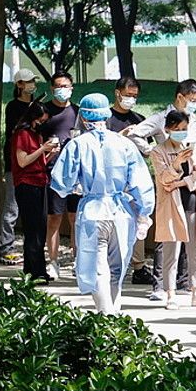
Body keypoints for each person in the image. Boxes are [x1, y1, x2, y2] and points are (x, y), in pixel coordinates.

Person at [49, 93, 155, 314]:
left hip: (92, 212)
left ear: (84, 118)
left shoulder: (77, 145)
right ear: (106, 115)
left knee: (97, 267)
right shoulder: (124, 144)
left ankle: (105, 316)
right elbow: (140, 183)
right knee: (117, 268)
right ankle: (114, 314)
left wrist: (78, 187)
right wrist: (144, 213)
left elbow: (60, 183)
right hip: (121, 212)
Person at [129, 79, 196, 302]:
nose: (194, 104)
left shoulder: (195, 123)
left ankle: (190, 286)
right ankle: (162, 285)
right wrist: (153, 151)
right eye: (192, 100)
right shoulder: (161, 119)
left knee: (193, 242)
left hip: (189, 186)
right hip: (168, 185)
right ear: (180, 97)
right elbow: (136, 134)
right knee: (168, 240)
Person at [150, 110, 196, 310]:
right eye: (177, 129)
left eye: (184, 129)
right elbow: (163, 179)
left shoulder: (192, 149)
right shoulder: (158, 151)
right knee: (171, 251)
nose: (181, 133)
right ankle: (170, 294)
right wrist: (176, 164)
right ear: (168, 129)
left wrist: (179, 183)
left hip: (193, 203)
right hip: (171, 207)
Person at [107, 76, 154, 285]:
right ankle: (111, 264)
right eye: (127, 95)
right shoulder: (105, 119)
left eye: (134, 96)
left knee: (139, 221)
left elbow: (148, 149)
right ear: (117, 93)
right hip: (110, 178)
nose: (131, 99)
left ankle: (139, 266)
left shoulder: (139, 119)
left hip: (135, 178)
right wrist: (120, 137)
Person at [0, 68, 38, 267]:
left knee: (32, 208)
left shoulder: (37, 105)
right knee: (11, 207)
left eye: (33, 81)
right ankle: (6, 248)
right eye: (27, 81)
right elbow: (16, 131)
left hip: (35, 162)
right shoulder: (12, 106)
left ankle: (34, 249)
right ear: (19, 84)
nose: (31, 85)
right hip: (15, 163)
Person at [41, 71, 79, 279]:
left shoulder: (78, 112)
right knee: (54, 218)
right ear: (51, 88)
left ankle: (77, 261)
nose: (62, 90)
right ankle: (53, 262)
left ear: (72, 88)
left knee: (76, 218)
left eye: (66, 86)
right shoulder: (44, 112)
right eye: (58, 86)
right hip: (52, 172)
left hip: (76, 174)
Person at [10, 103, 54, 282]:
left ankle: (37, 269)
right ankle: (34, 270)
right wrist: (42, 149)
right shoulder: (22, 134)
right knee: (33, 228)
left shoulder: (37, 134)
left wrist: (49, 153)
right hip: (27, 184)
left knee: (40, 228)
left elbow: (39, 161)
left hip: (40, 181)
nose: (43, 122)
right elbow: (23, 161)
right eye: (41, 119)